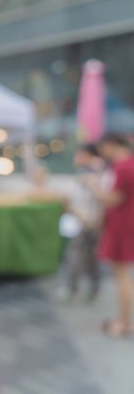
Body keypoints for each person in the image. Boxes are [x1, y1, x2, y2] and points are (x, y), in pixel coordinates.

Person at [95, 133, 134, 337]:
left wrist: (94, 188)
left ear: (112, 144)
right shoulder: (128, 165)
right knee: (123, 275)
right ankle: (124, 320)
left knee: (122, 276)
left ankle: (126, 323)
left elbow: (113, 199)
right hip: (126, 223)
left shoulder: (123, 167)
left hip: (122, 225)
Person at [61, 144, 105, 301]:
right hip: (79, 220)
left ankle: (90, 289)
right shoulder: (82, 174)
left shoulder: (97, 175)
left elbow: (102, 198)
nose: (76, 158)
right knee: (76, 255)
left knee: (89, 257)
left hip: (91, 222)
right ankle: (74, 287)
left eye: (80, 155)